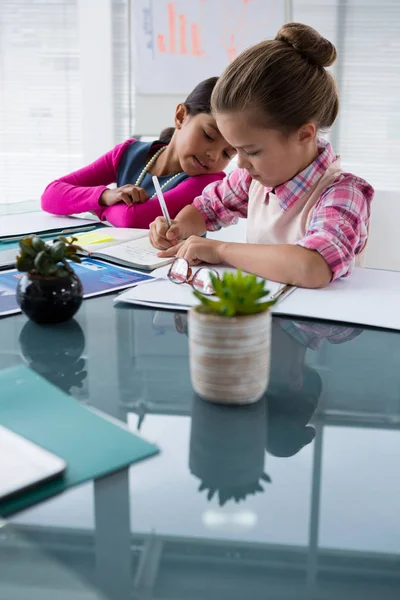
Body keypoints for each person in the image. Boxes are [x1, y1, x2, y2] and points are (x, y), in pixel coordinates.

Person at [150, 23, 374, 288]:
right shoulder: (252, 179)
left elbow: (313, 266)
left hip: (318, 326)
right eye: (236, 149)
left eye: (251, 151)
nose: (240, 163)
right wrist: (176, 228)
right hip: (261, 317)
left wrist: (220, 250)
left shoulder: (344, 193)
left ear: (303, 134)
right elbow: (206, 209)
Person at [41, 78, 235, 228]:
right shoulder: (127, 153)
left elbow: (132, 219)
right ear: (181, 116)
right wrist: (106, 195)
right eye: (209, 135)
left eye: (228, 153)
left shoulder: (209, 182)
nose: (214, 156)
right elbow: (50, 196)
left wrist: (96, 206)